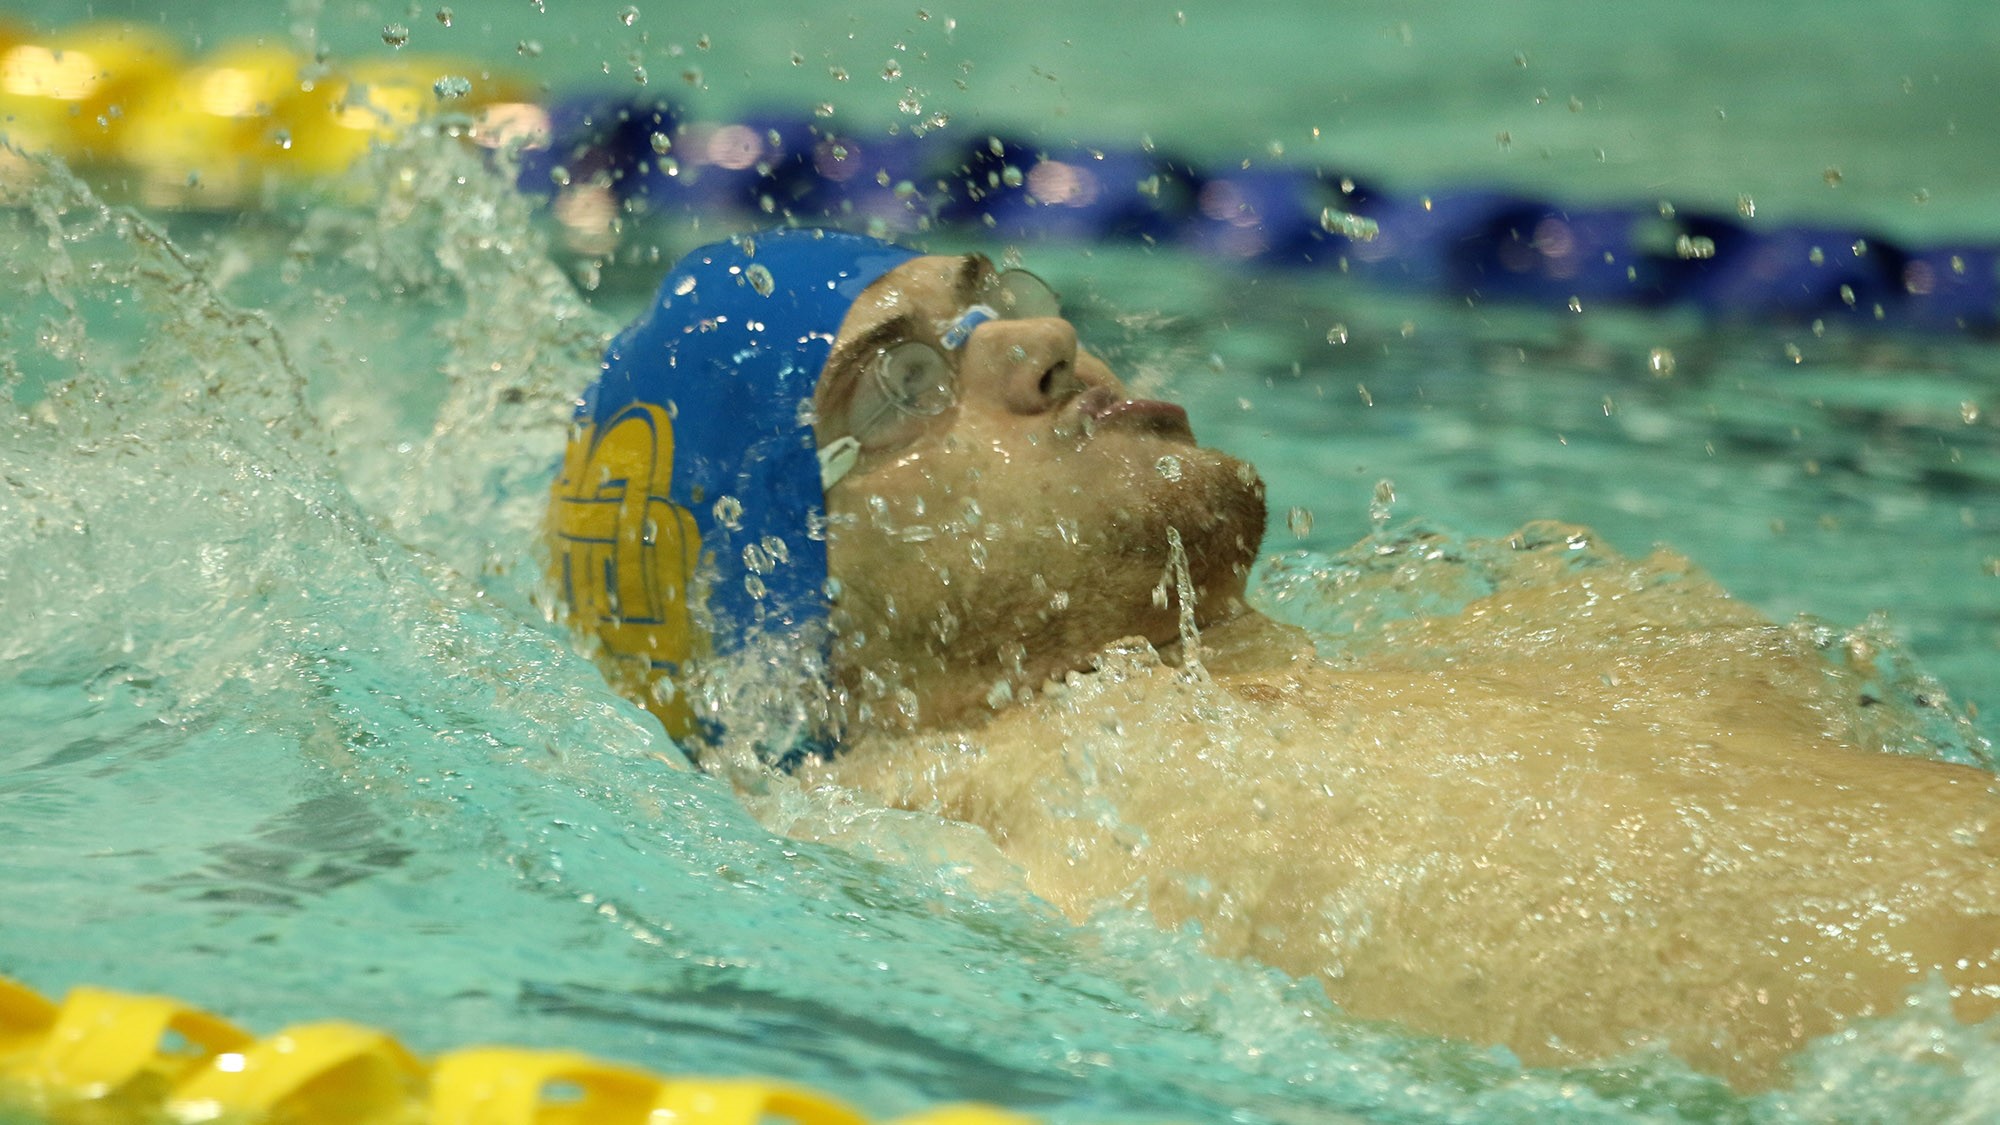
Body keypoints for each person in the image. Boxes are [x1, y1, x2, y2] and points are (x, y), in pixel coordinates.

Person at [548, 228, 2000, 1088]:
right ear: (811, 636)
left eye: (1004, 297)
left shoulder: (1506, 629)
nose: (1044, 338)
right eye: (902, 383)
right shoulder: (978, 815)